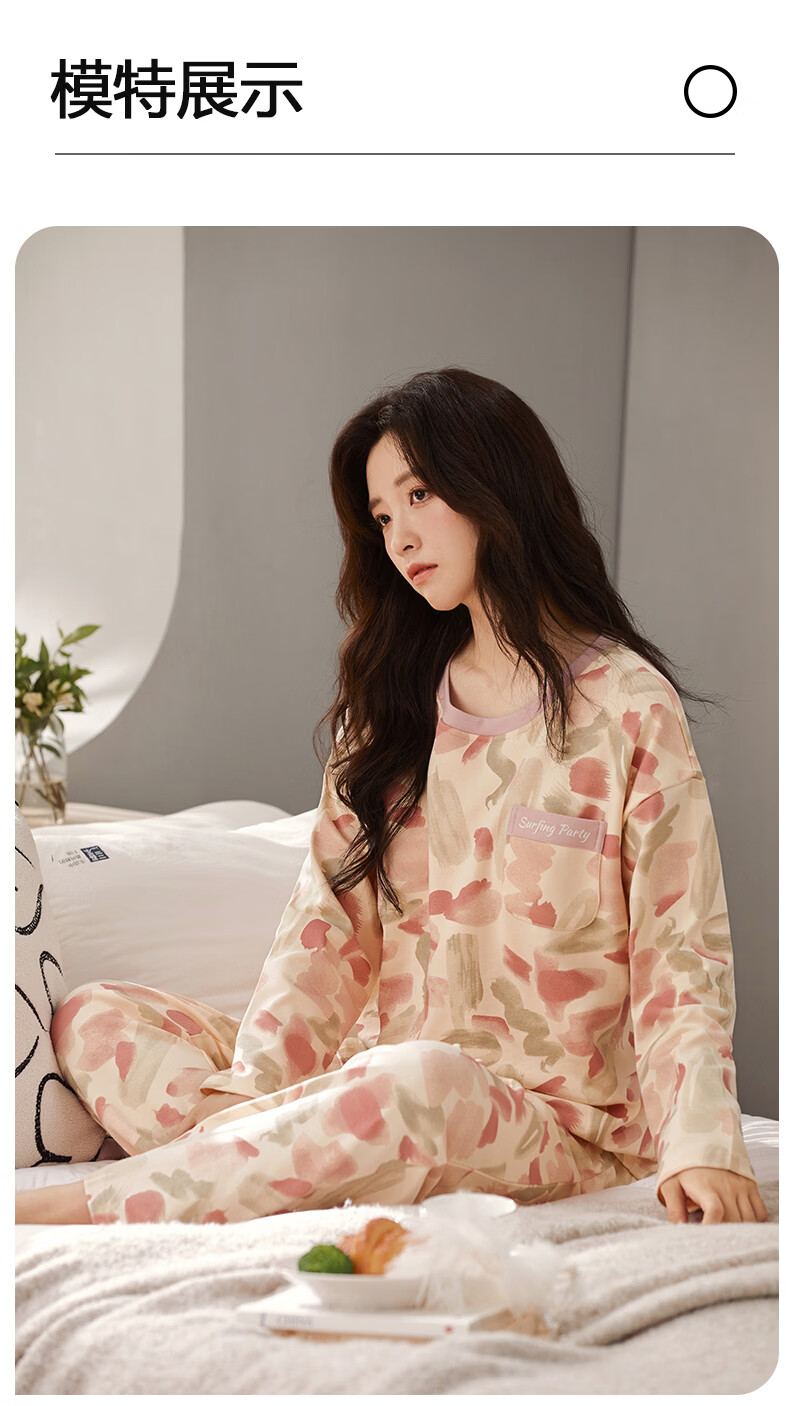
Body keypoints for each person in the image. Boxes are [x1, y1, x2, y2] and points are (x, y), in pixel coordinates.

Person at [16, 367, 767, 1229]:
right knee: (93, 1017)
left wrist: (703, 1143)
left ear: (498, 484)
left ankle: (90, 1206)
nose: (400, 536)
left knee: (419, 1081)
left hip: (557, 1126)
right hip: (376, 1078)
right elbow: (326, 929)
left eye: (419, 495)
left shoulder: (628, 704)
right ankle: (257, 1153)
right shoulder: (391, 706)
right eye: (380, 517)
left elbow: (680, 948)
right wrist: (252, 1094)